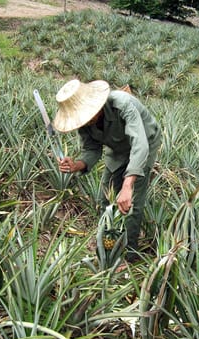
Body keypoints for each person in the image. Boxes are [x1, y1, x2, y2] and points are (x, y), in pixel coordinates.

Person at [53, 79, 161, 262]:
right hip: (117, 147)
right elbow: (92, 150)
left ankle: (130, 254)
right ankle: (108, 245)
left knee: (132, 201)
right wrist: (76, 165)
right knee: (105, 197)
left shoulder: (122, 104)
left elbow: (139, 144)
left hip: (145, 143)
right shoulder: (84, 122)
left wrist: (128, 185)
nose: (86, 120)